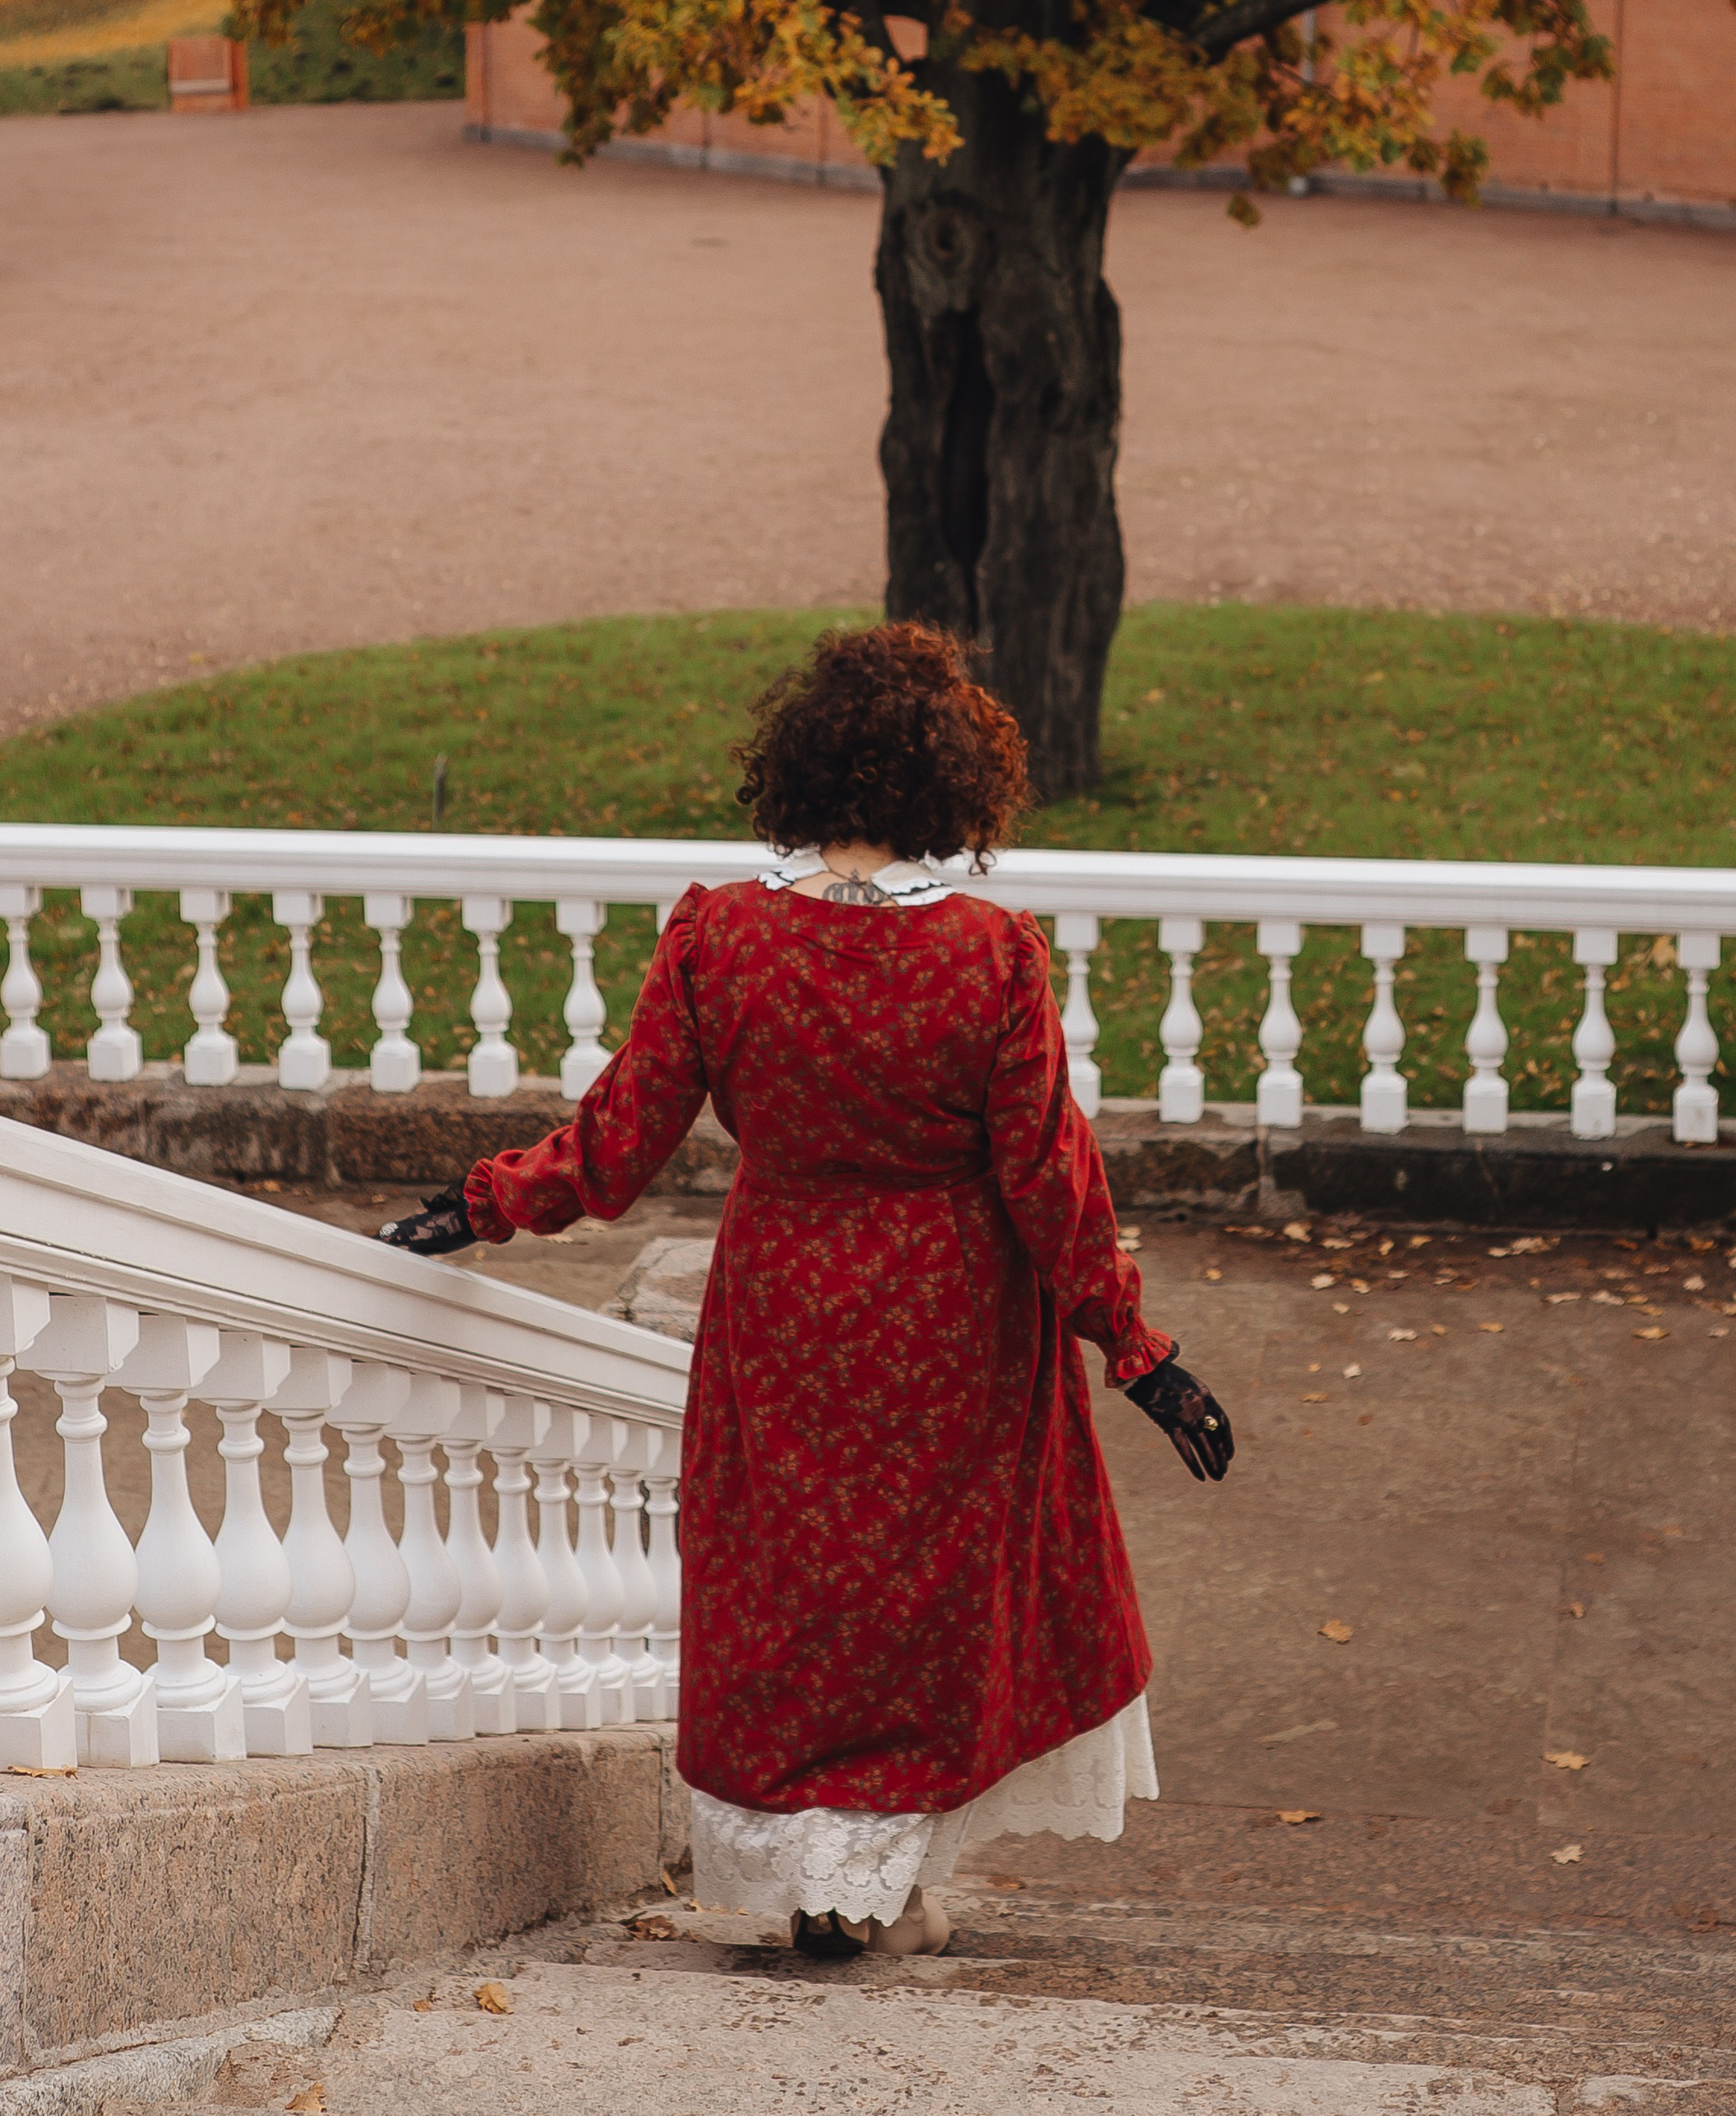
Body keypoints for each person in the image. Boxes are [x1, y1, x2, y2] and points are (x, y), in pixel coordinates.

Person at [381, 621, 1233, 1956]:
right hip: (948, 1317)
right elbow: (1053, 1191)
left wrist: (480, 1206)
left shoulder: (720, 938)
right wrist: (1140, 1354)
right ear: (952, 783)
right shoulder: (992, 957)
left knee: (791, 1592)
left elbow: (619, 1137)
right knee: (924, 1603)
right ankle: (878, 1880)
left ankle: (827, 1883)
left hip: (780, 1305)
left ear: (802, 766)